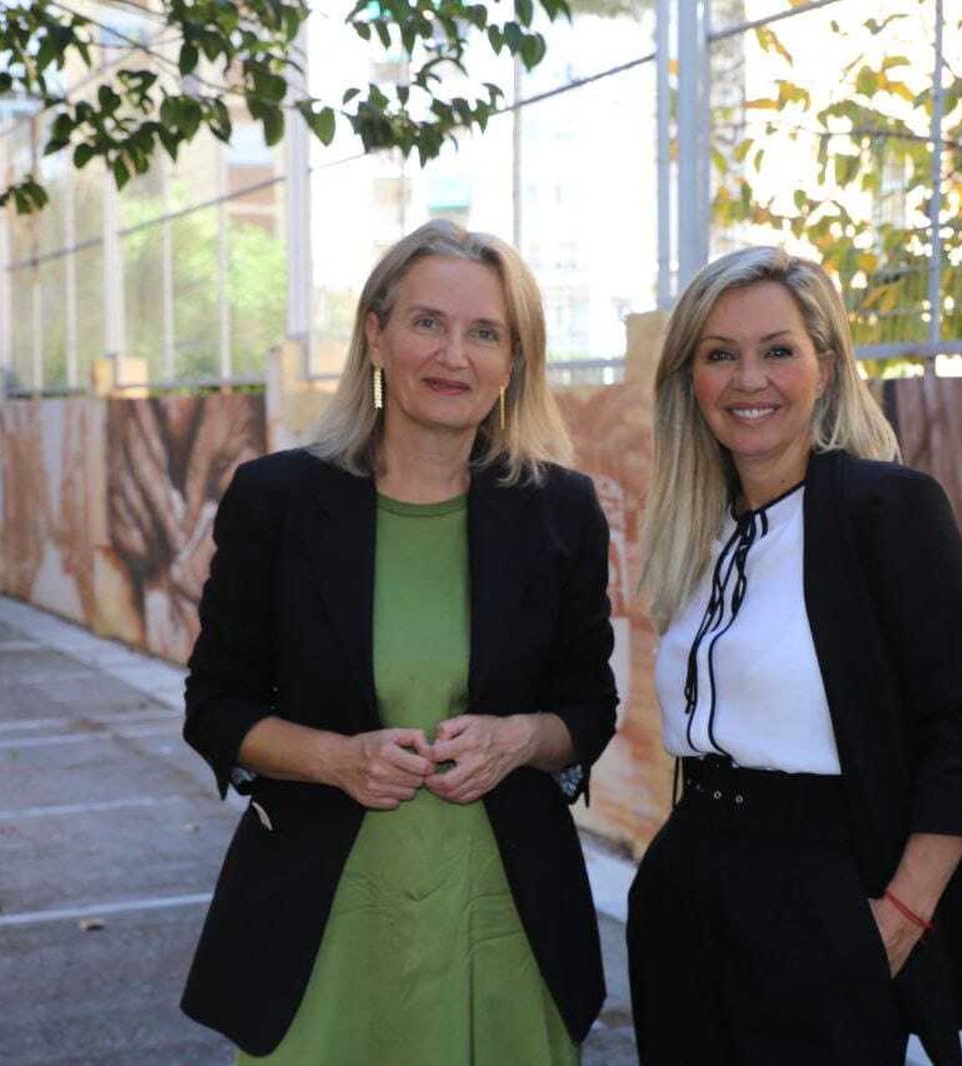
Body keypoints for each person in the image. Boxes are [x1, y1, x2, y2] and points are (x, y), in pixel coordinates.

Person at [178, 220, 618, 1065]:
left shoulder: (560, 510)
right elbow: (217, 708)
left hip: (503, 926)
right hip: (324, 932)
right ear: (376, 334)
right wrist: (337, 759)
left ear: (514, 359)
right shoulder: (277, 501)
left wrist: (520, 738)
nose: (455, 355)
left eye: (485, 332)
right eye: (428, 323)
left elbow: (587, 710)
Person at [628, 246, 962, 1065]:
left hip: (821, 895)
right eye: (720, 355)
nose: (750, 380)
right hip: (686, 885)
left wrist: (901, 918)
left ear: (825, 365)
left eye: (778, 350)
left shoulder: (885, 509)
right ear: (690, 380)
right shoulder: (696, 531)